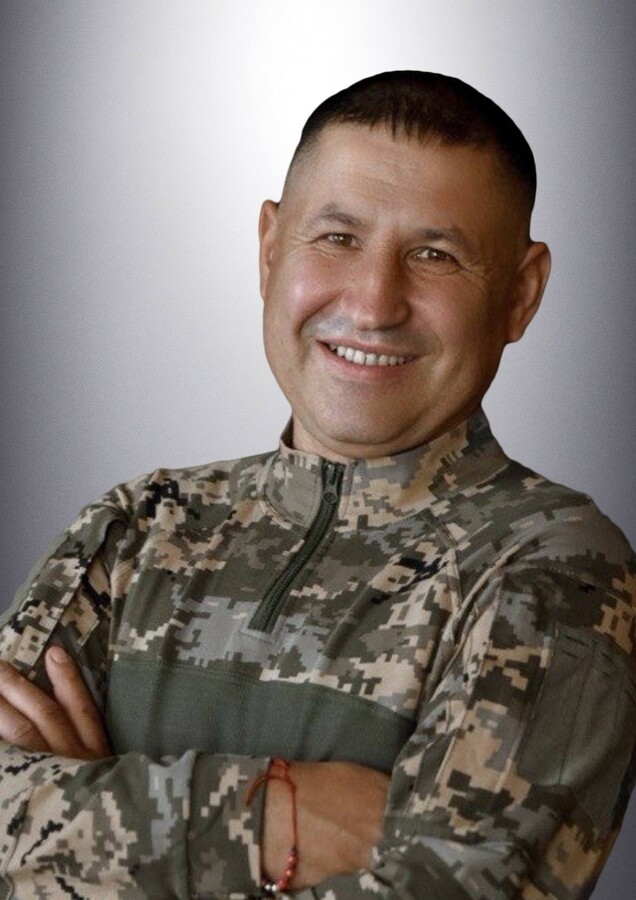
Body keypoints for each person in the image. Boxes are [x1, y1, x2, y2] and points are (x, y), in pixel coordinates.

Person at [0, 70, 634, 900]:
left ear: (520, 294)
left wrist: (76, 830)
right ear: (271, 250)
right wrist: (272, 819)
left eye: (435, 256)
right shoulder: (138, 528)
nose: (373, 303)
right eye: (337, 238)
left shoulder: (554, 571)